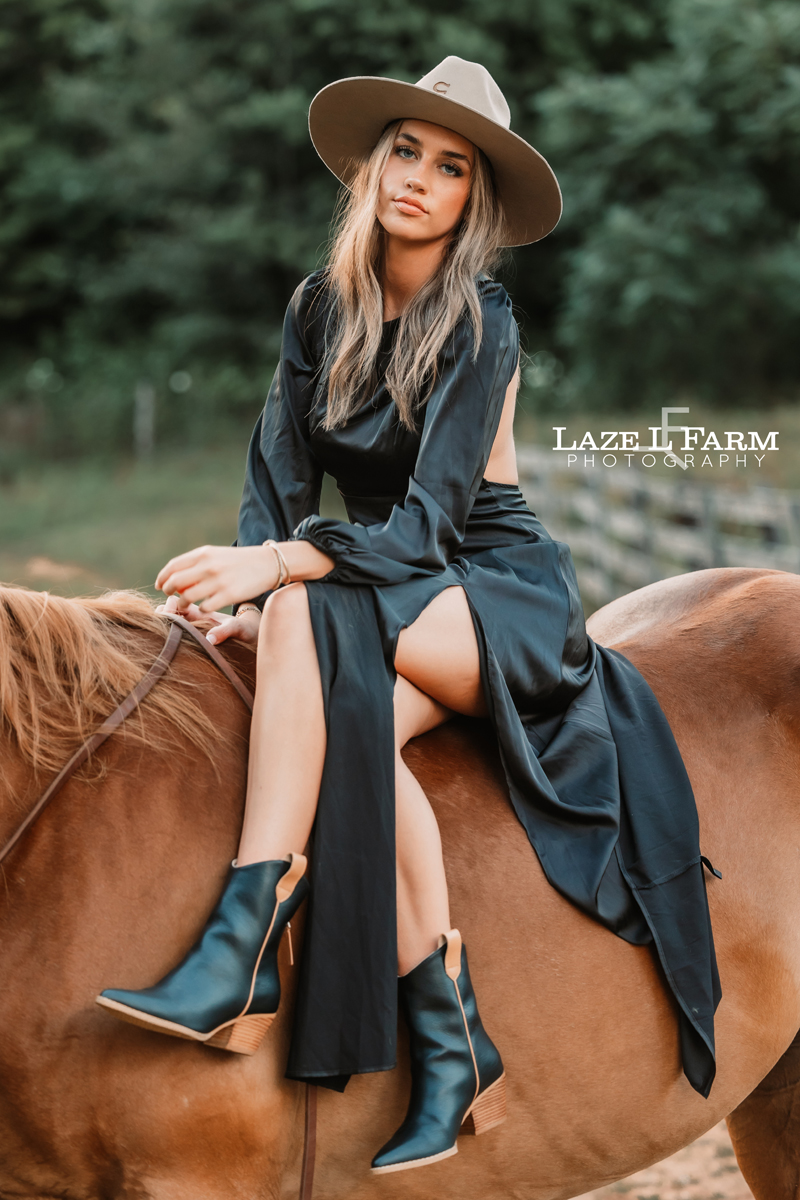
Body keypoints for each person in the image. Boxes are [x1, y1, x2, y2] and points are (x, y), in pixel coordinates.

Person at [96, 56, 721, 1174]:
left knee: (297, 611)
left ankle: (241, 948)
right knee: (336, 723)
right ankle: (451, 1042)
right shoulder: (317, 308)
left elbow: (430, 526)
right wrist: (252, 571)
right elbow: (275, 480)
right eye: (404, 152)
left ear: (471, 199)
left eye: (449, 167)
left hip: (488, 591)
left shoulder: (480, 319)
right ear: (372, 166)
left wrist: (280, 569)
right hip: (372, 582)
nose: (419, 179)